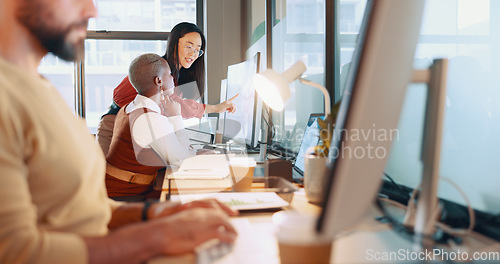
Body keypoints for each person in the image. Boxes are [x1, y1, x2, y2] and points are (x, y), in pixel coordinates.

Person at [0, 0, 238, 263]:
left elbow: (84, 208)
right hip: (116, 126)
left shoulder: (40, 90)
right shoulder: (154, 72)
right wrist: (154, 237)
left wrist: (153, 215)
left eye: (198, 49)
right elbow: (15, 251)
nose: (92, 11)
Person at [96, 22, 238, 155]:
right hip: (114, 126)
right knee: (106, 177)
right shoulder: (154, 68)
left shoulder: (176, 77)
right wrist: (215, 108)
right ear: (174, 43)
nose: (193, 54)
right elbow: (120, 96)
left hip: (135, 132)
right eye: (189, 46)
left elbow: (172, 109)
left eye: (198, 50)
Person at [105, 53, 194, 200]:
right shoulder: (150, 118)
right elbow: (182, 161)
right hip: (125, 196)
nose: (173, 78)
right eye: (170, 74)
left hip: (116, 189)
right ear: (158, 80)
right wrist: (175, 117)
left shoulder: (129, 107)